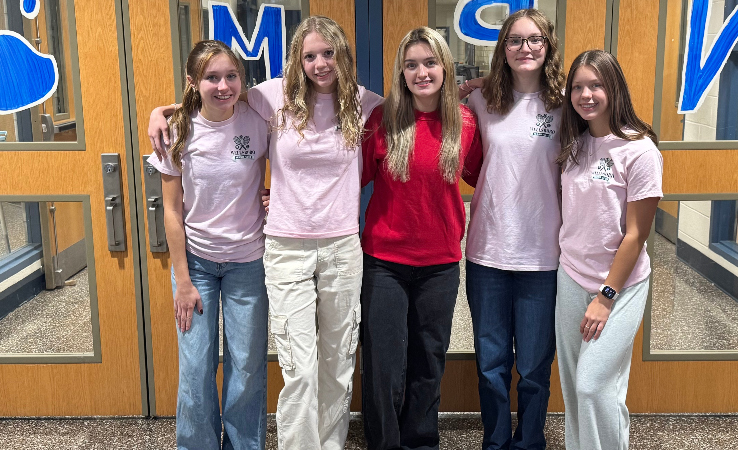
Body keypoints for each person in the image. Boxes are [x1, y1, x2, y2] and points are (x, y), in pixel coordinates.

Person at [148, 16, 382, 450]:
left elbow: (416, 102)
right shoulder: (273, 97)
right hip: (267, 251)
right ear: (297, 59)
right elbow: (212, 102)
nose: (320, 63)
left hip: (321, 249)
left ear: (342, 55)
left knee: (322, 364)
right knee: (288, 367)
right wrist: (159, 112)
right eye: (309, 55)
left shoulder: (362, 102)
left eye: (328, 53)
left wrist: (470, 89)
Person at [358, 26, 483, 450]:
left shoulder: (465, 122)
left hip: (439, 263)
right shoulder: (383, 120)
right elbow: (347, 179)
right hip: (385, 262)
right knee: (384, 363)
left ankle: (420, 441)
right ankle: (384, 443)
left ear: (445, 67)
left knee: (429, 358)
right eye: (411, 65)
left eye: (430, 63)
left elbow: (487, 175)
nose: (421, 72)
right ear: (402, 72)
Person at [147, 40, 270, 450]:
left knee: (247, 367)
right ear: (193, 82)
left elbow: (294, 160)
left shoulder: (258, 120)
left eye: (231, 76)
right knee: (196, 367)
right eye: (211, 77)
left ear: (242, 79)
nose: (223, 86)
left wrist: (277, 197)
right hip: (195, 265)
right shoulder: (178, 130)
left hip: (248, 263)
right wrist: (182, 281)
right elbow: (171, 211)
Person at [456, 9, 566, 449]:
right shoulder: (482, 102)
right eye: (515, 40)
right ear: (503, 49)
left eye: (535, 39)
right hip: (488, 252)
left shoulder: (566, 103)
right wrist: (472, 85)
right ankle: (497, 442)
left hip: (543, 256)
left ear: (548, 46)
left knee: (535, 367)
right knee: (491, 365)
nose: (526, 48)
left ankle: (530, 442)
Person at [555, 49, 663, 450]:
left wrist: (605, 297)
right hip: (571, 277)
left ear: (614, 88)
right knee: (574, 388)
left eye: (596, 85)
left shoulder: (640, 150)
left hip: (619, 286)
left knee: (593, 385)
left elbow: (636, 235)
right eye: (577, 87)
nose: (586, 95)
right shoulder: (575, 144)